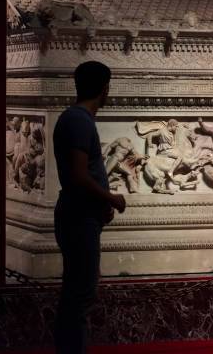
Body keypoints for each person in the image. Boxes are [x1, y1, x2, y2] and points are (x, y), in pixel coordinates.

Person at [53, 61, 125, 354]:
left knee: (75, 294)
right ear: (105, 89)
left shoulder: (73, 118)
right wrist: (111, 199)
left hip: (80, 215)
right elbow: (79, 175)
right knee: (81, 297)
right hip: (79, 219)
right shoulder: (81, 121)